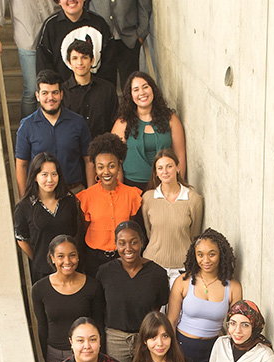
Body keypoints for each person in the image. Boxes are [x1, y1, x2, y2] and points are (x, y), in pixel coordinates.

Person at [167, 229, 242, 362]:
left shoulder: (232, 287)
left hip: (212, 352)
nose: (205, 260)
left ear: (221, 254)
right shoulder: (183, 282)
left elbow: (235, 326)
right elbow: (171, 320)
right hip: (182, 348)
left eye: (212, 254)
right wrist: (171, 352)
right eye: (200, 254)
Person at [97, 222, 169, 362]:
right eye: (122, 243)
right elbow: (100, 306)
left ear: (142, 242)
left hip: (146, 338)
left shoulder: (157, 273)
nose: (128, 248)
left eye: (134, 242)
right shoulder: (105, 272)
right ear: (116, 244)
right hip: (115, 340)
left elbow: (158, 304)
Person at [31, 235, 104, 362]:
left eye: (72, 255)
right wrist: (41, 358)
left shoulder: (93, 286)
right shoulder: (39, 289)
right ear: (52, 258)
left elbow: (98, 323)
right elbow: (42, 326)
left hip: (87, 352)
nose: (67, 261)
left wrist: (100, 354)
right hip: (55, 355)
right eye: (60, 256)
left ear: (78, 257)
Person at [15, 71, 94, 195]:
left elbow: (89, 160)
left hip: (74, 192)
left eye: (55, 93)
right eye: (45, 93)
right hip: (41, 195)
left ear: (61, 94)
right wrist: (25, 200)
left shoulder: (78, 122)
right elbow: (21, 165)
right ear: (37, 96)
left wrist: (91, 194)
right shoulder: (27, 126)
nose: (50, 98)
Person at [77, 133, 142, 273]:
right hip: (94, 259)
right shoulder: (85, 197)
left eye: (111, 166)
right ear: (95, 169)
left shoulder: (133, 195)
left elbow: (135, 227)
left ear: (119, 165)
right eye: (101, 167)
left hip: (124, 258)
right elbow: (82, 229)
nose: (106, 172)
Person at [13, 153, 83, 283]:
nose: (50, 180)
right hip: (42, 271)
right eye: (44, 174)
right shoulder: (24, 207)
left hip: (69, 267)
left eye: (54, 174)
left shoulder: (69, 200)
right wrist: (38, 258)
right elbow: (22, 239)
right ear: (35, 176)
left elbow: (74, 232)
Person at [112, 73, 186, 191]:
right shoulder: (122, 123)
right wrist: (119, 190)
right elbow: (115, 160)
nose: (142, 92)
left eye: (145, 87)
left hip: (164, 185)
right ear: (130, 95)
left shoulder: (171, 119)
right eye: (136, 89)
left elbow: (180, 156)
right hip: (131, 186)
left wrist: (176, 188)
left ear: (153, 89)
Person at [141, 148, 203, 285]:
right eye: (160, 168)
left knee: (179, 306)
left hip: (183, 266)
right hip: (153, 263)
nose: (165, 171)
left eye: (169, 166)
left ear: (178, 168)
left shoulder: (194, 199)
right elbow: (149, 231)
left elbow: (194, 235)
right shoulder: (148, 198)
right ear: (156, 173)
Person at [35, 0, 112, 79]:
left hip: (95, 91)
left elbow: (109, 63)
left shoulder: (99, 23)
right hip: (62, 91)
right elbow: (44, 63)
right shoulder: (50, 25)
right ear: (58, 0)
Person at [63, 39, 118, 138]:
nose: (80, 62)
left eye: (84, 57)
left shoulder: (108, 89)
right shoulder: (62, 92)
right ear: (69, 63)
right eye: (75, 58)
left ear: (92, 61)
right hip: (72, 148)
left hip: (103, 147)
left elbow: (115, 121)